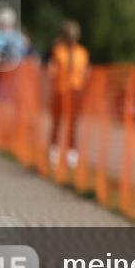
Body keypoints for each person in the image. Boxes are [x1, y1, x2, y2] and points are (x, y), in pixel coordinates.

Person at [47, 20, 90, 170]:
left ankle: (72, 155)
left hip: (75, 91)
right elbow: (52, 69)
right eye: (69, 36)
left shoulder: (82, 53)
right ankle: (54, 153)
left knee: (73, 123)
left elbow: (85, 72)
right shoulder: (58, 51)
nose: (71, 38)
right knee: (57, 122)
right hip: (60, 90)